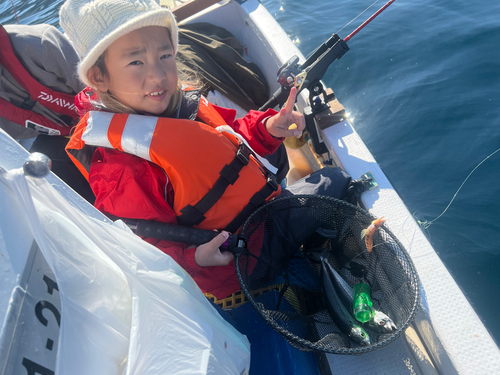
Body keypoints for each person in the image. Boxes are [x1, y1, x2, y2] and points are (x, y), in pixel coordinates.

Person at [60, 0, 351, 299]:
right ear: (99, 77)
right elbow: (143, 251)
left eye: (165, 55)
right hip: (237, 259)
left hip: (255, 213)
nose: (158, 76)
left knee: (279, 158)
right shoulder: (120, 168)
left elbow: (230, 140)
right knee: (335, 181)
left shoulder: (179, 102)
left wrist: (267, 128)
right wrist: (195, 259)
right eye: (136, 62)